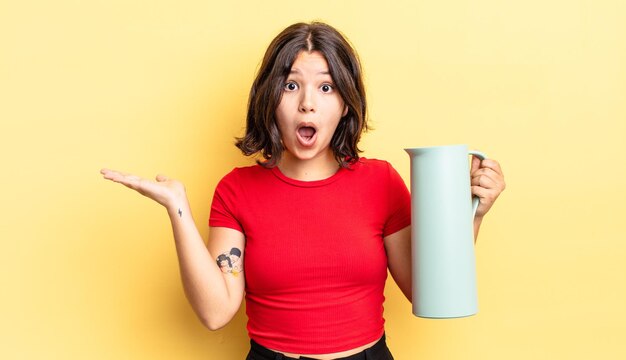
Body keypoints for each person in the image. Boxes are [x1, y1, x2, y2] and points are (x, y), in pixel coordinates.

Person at [101, 22, 505, 360]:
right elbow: (215, 312)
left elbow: (427, 289)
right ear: (270, 98)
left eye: (326, 88)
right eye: (291, 86)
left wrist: (475, 212)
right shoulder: (236, 190)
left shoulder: (381, 182)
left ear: (346, 104)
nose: (308, 103)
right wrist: (178, 209)